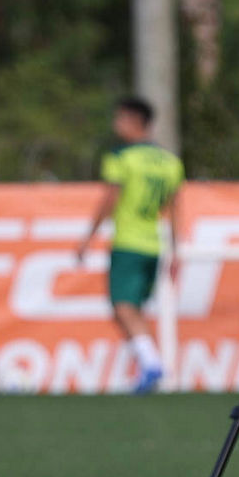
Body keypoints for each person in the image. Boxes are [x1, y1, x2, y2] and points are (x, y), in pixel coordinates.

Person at [77, 97, 184, 394]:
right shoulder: (170, 162)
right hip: (154, 245)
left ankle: (152, 364)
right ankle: (149, 367)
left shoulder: (122, 157)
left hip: (128, 242)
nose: (116, 124)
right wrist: (176, 250)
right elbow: (176, 209)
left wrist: (88, 238)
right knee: (132, 309)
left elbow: (109, 199)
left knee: (122, 307)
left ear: (135, 121)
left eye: (120, 118)